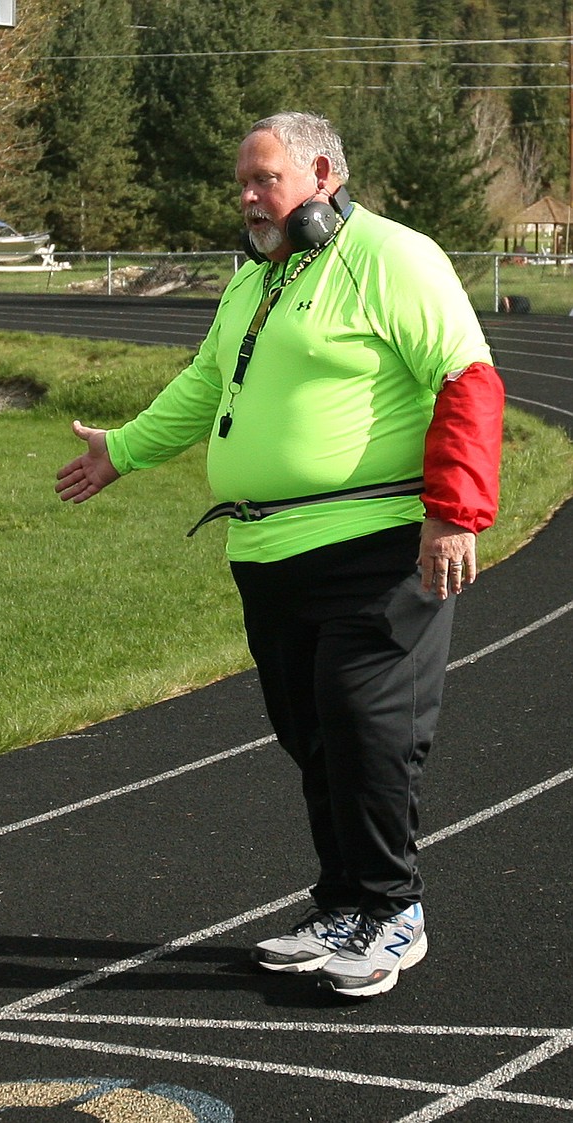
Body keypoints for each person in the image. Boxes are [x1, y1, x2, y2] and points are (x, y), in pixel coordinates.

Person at [55, 112, 503, 999]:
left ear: (324, 172)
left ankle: (393, 910)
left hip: (374, 546)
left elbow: (467, 377)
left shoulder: (393, 257)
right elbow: (207, 384)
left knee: (365, 725)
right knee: (311, 732)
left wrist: (456, 512)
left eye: (264, 180)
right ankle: (342, 901)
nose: (249, 199)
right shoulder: (254, 277)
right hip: (267, 551)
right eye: (243, 184)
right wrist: (125, 449)